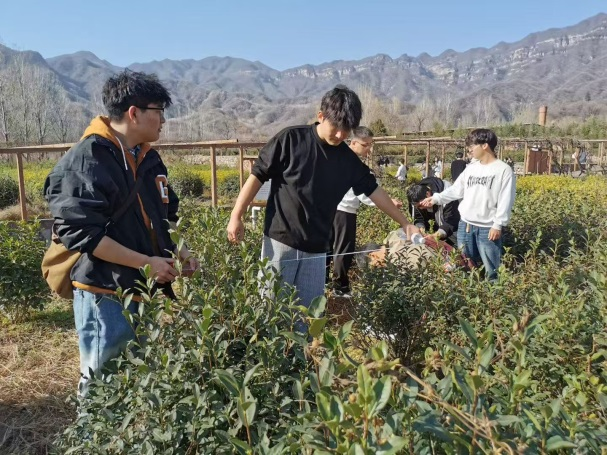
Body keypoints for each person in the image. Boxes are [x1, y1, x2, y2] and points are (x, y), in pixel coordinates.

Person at [44, 70, 199, 396]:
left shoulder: (148, 158)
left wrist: (182, 251)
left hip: (142, 289)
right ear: (134, 113)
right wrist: (147, 263)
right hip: (105, 292)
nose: (163, 120)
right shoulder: (87, 160)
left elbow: (165, 215)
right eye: (159, 111)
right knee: (101, 387)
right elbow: (84, 234)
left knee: (133, 385)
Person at [227, 85, 420, 328]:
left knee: (308, 319)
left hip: (317, 250)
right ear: (320, 116)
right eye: (335, 126)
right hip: (280, 241)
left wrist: (405, 223)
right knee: (270, 313)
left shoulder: (347, 160)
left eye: (346, 130)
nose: (340, 135)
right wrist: (236, 215)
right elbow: (257, 175)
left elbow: (373, 190)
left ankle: (303, 353)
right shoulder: (291, 140)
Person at [420, 129, 516, 280]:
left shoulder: (503, 170)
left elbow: (506, 199)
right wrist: (436, 198)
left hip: (487, 228)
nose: (469, 150)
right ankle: (471, 291)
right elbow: (457, 190)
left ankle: (492, 291)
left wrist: (498, 224)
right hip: (466, 225)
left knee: (492, 269)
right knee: (465, 264)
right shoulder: (471, 168)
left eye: (472, 146)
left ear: (485, 145)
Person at [328, 127, 402, 296]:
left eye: (370, 144)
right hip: (344, 211)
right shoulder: (352, 164)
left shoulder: (340, 158)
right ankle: (340, 287)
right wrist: (388, 203)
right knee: (344, 250)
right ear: (353, 142)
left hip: (333, 208)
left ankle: (325, 283)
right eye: (365, 145)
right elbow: (364, 193)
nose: (369, 149)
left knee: (329, 247)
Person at [407, 176, 460, 246]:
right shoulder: (415, 197)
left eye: (421, 205)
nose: (421, 208)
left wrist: (436, 236)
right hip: (435, 224)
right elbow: (418, 218)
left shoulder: (448, 196)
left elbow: (451, 223)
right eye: (418, 207)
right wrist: (421, 228)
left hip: (455, 225)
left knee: (457, 244)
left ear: (428, 194)